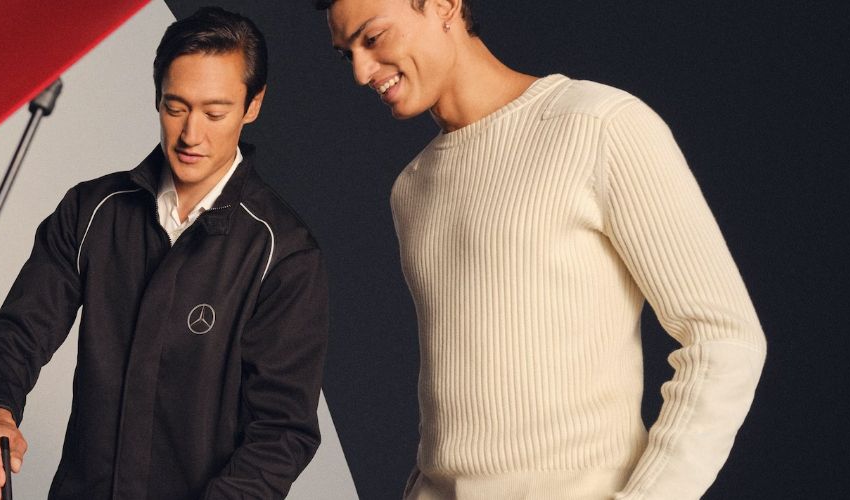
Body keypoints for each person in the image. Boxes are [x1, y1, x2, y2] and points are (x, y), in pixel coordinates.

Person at [314, 0, 768, 498]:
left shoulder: (598, 125)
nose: (361, 72)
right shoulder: (413, 186)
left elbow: (723, 339)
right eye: (347, 54)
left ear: (444, 5)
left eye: (373, 38)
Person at [0, 7, 328, 500]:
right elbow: (17, 333)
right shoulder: (93, 211)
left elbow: (282, 432)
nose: (191, 134)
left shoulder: (283, 253)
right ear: (157, 97)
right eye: (176, 108)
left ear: (253, 105)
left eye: (214, 113)